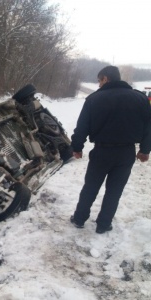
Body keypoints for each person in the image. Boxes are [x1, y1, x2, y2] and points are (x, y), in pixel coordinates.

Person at [70, 66, 151, 234]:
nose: (99, 85)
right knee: (114, 191)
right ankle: (103, 224)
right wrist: (145, 150)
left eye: (99, 80)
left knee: (90, 187)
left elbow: (82, 127)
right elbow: (148, 127)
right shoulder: (140, 99)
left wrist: (77, 147)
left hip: (101, 152)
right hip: (126, 153)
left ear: (105, 78)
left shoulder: (94, 99)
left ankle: (79, 218)